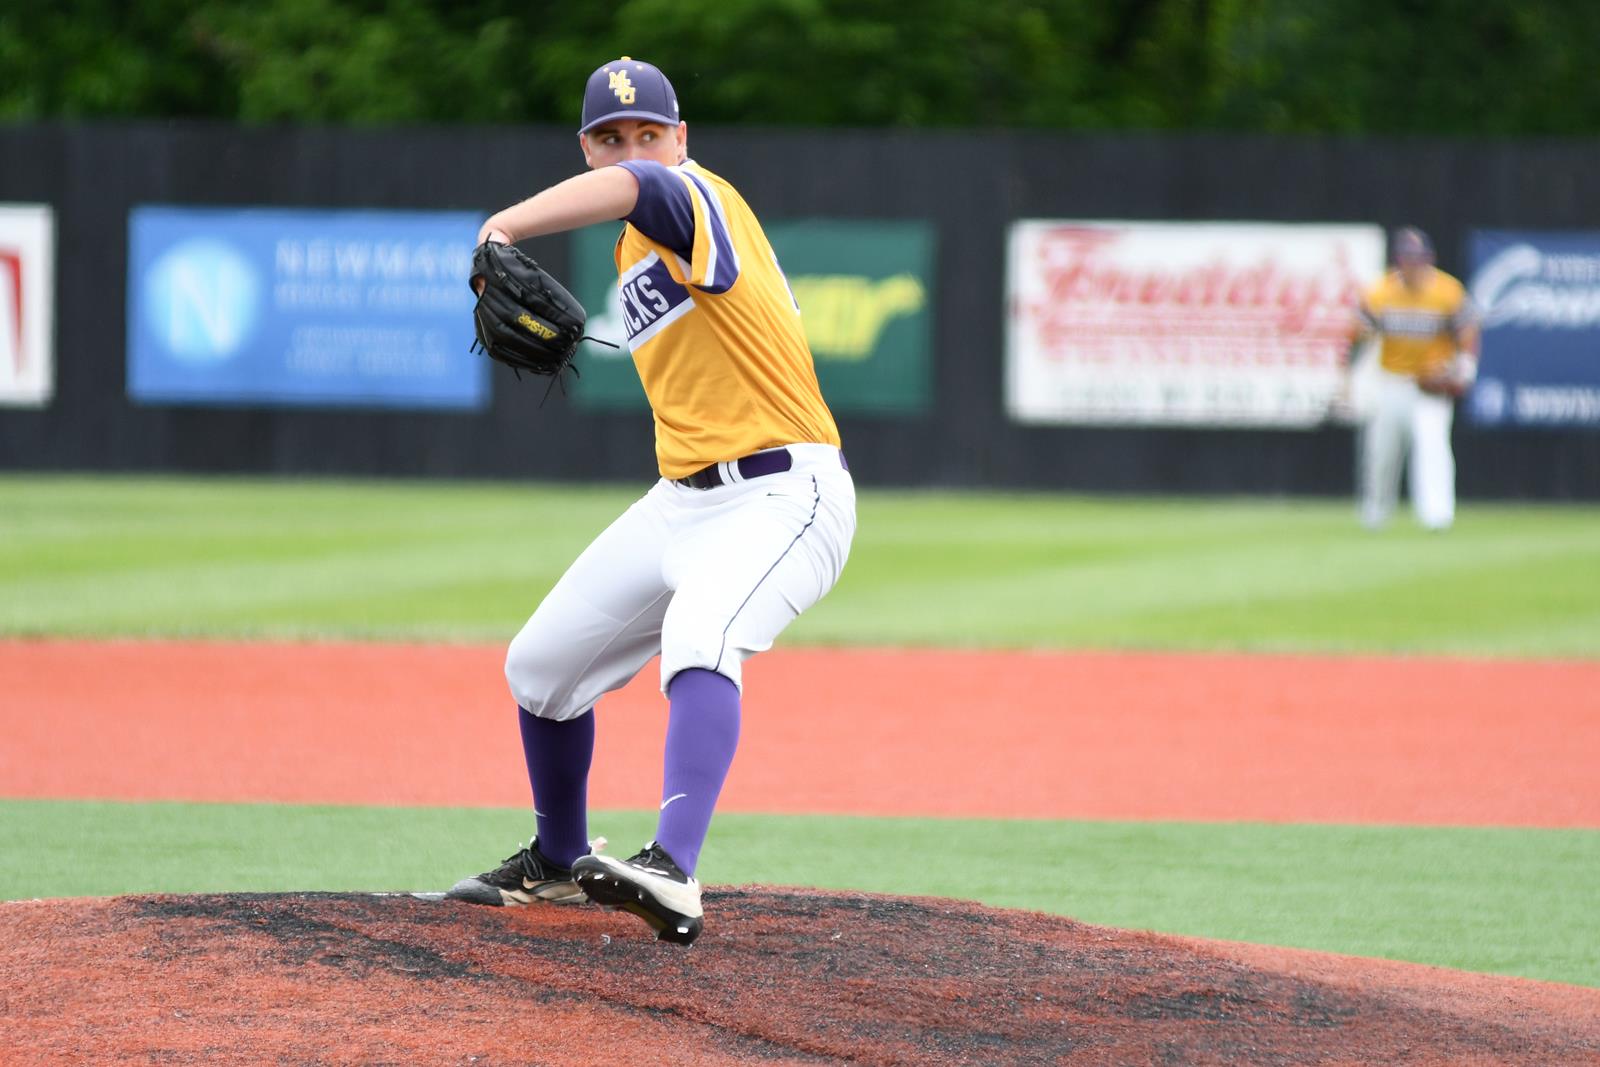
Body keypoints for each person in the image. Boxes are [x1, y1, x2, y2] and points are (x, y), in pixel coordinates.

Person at [444, 58, 856, 945]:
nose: (633, 149)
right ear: (584, 147)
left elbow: (639, 190)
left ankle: (673, 867)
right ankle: (556, 862)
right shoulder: (635, 246)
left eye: (649, 132)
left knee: (701, 636)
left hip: (787, 492)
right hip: (685, 500)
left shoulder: (698, 199)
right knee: (542, 666)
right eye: (610, 136)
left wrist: (503, 226)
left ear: (681, 138)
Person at [1348, 226, 1480, 531]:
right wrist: (1350, 371)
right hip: (1392, 381)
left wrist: (1465, 365)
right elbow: (1359, 333)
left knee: (1432, 448)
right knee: (1381, 452)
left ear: (1429, 258)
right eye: (1407, 258)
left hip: (1430, 385)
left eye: (1418, 258)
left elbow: (1468, 330)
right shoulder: (1381, 291)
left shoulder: (1447, 291)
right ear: (1397, 260)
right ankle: (1376, 512)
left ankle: (1437, 514)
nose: (1412, 264)